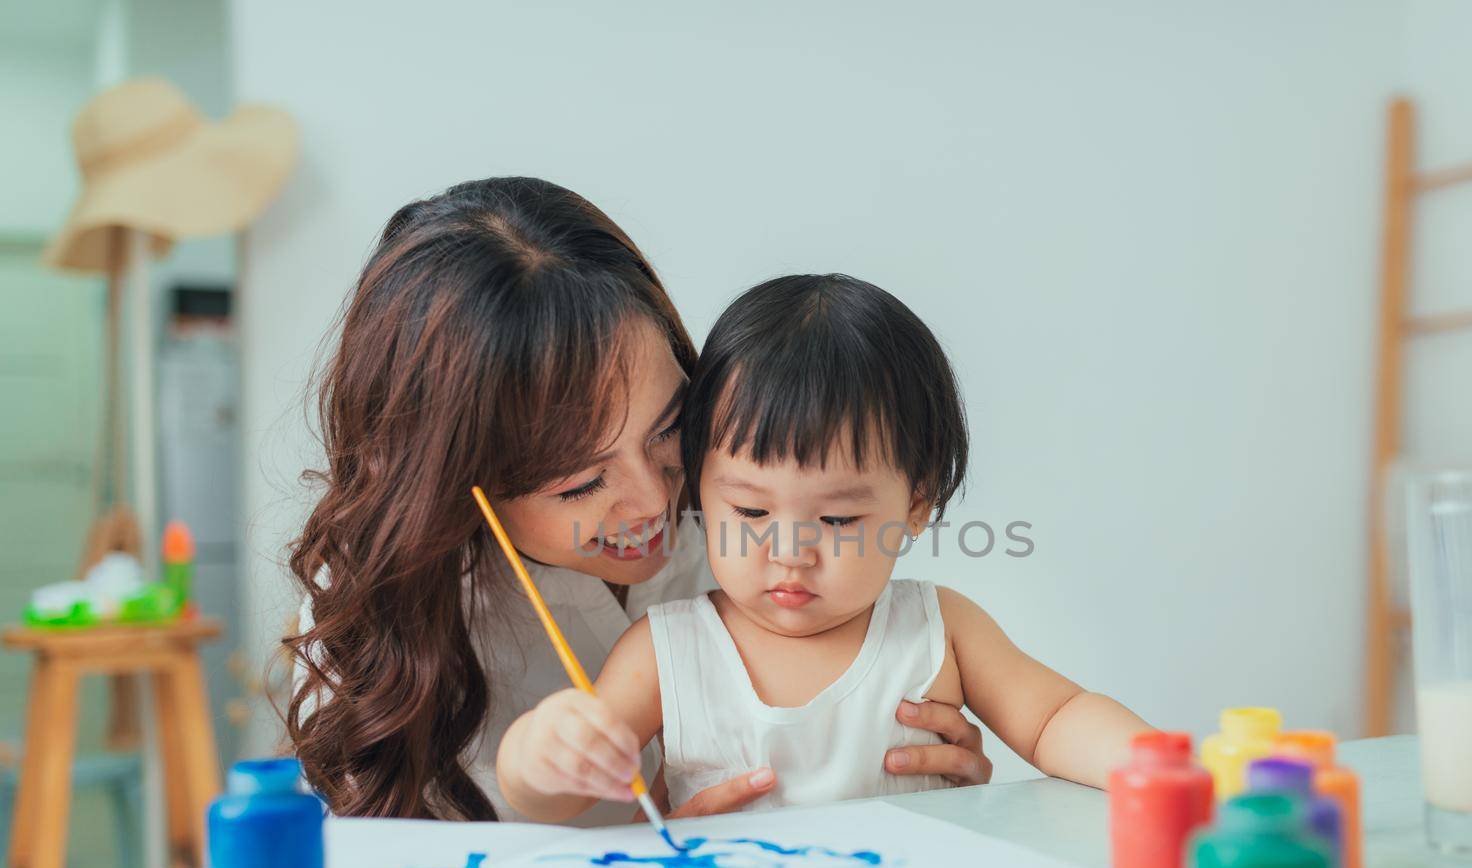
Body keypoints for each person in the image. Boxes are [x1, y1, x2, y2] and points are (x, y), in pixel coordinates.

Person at [286, 180, 992, 821]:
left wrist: (904, 762)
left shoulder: (749, 504)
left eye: (669, 431)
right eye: (579, 484)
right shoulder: (377, 612)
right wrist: (636, 859)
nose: (654, 500)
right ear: (452, 488)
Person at [496, 273, 1148, 820]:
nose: (789, 551)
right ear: (699, 489)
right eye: (750, 510)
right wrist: (542, 757)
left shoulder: (938, 629)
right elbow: (559, 800)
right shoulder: (667, 651)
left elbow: (1057, 718)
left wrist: (1158, 765)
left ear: (915, 505)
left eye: (836, 521)